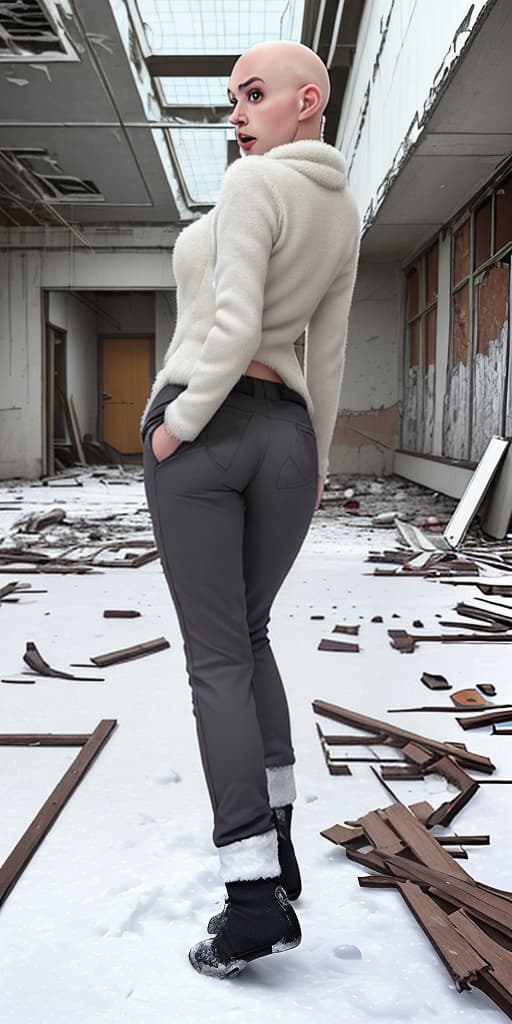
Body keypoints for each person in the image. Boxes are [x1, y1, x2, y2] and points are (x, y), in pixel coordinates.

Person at [141, 39, 360, 978]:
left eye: (255, 94)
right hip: (287, 438)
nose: (236, 113)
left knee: (218, 658)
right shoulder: (342, 209)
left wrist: (176, 421)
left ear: (307, 100)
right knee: (254, 634)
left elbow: (231, 323)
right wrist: (318, 455)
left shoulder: (252, 187)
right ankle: (279, 853)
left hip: (208, 424)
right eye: (232, 99)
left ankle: (251, 897)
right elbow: (332, 346)